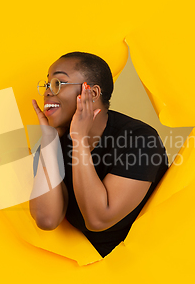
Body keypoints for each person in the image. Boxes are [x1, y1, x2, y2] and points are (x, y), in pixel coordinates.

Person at [30, 51, 169, 257]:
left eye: (58, 83)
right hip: (82, 266)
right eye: (47, 84)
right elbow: (47, 219)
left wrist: (79, 140)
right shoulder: (52, 144)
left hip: (144, 261)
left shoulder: (140, 139)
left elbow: (98, 220)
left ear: (92, 93)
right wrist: (50, 141)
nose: (48, 92)